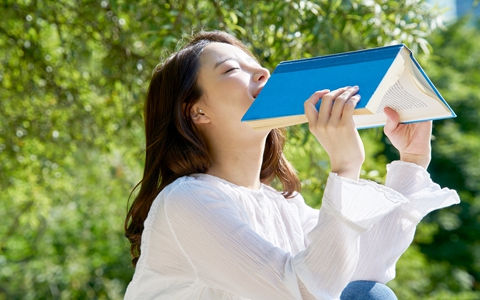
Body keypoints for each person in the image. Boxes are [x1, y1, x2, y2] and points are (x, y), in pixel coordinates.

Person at [123, 30, 460, 300]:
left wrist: (412, 160)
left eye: (257, 65)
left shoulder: (283, 208)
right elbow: (302, 293)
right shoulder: (185, 202)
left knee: (369, 294)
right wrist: (344, 167)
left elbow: (361, 274)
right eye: (231, 70)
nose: (263, 72)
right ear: (196, 111)